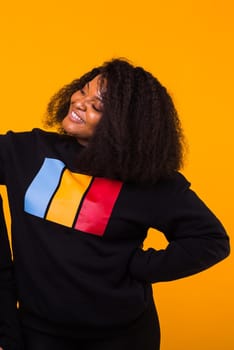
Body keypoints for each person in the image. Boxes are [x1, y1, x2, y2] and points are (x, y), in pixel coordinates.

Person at [0, 58, 230, 350]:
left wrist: (137, 266)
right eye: (83, 91)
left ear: (124, 125)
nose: (80, 104)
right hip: (40, 333)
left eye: (98, 106)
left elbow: (211, 240)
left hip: (121, 337)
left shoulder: (149, 180)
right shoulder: (28, 151)